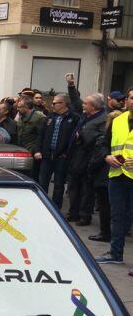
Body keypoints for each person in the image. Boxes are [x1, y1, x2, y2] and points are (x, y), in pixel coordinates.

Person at [94, 89, 133, 264]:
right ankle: (115, 253)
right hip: (117, 174)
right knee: (117, 216)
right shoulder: (117, 121)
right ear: (127, 101)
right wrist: (106, 156)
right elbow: (104, 143)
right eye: (132, 98)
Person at [34, 93, 80, 209]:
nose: (52, 105)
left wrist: (68, 153)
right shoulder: (49, 117)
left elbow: (75, 139)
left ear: (64, 104)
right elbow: (41, 135)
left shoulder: (74, 118)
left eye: (55, 103)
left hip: (62, 157)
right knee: (43, 181)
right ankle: (42, 205)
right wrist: (38, 150)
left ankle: (56, 207)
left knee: (59, 184)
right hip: (46, 155)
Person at [66, 93, 106, 226]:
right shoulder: (85, 115)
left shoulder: (102, 119)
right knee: (73, 186)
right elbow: (76, 102)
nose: (83, 105)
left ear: (93, 107)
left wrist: (83, 134)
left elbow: (100, 139)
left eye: (86, 103)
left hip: (88, 158)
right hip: (76, 156)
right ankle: (73, 212)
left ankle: (84, 215)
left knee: (86, 189)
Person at [87, 110, 120, 243]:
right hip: (116, 174)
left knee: (105, 205)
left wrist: (91, 170)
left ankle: (105, 232)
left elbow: (99, 157)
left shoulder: (106, 137)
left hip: (104, 175)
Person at [16, 97, 46, 181]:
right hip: (22, 151)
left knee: (33, 176)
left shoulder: (39, 118)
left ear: (26, 107)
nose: (17, 109)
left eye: (19, 107)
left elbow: (43, 136)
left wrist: (37, 150)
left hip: (33, 152)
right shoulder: (21, 116)